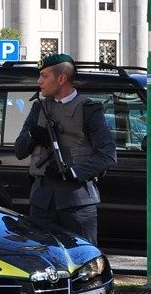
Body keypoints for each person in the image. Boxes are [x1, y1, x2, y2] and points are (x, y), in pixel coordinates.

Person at [14, 53, 116, 245]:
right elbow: (19, 151)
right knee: (42, 256)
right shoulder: (39, 108)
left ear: (62, 79)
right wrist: (33, 135)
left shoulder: (88, 108)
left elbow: (107, 156)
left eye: (44, 76)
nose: (39, 81)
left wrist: (73, 172)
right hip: (42, 202)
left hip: (77, 202)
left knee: (82, 256)